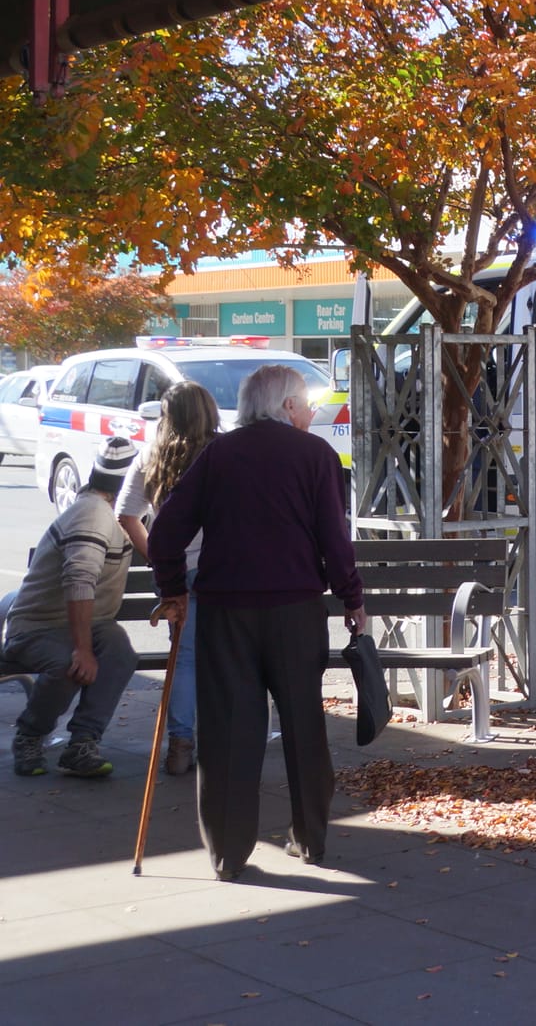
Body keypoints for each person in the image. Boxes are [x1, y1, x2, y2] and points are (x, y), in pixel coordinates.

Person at [149, 364, 368, 880]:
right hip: (295, 611)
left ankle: (227, 854)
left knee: (227, 730)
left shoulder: (217, 454)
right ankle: (310, 839)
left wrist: (174, 590)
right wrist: (352, 599)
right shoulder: (316, 456)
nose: (312, 414)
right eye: (306, 405)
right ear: (287, 406)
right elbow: (334, 541)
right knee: (304, 725)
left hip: (227, 612)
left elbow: (164, 533)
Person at [5, 438, 141, 778]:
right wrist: (82, 649)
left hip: (88, 623)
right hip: (37, 626)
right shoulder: (92, 515)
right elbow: (79, 581)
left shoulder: (110, 513)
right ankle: (30, 735)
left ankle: (82, 742)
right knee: (68, 664)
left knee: (119, 651)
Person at [116, 381, 223, 777]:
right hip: (223, 571)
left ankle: (181, 744)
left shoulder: (152, 454)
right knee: (229, 655)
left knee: (185, 658)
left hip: (175, 573)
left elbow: (126, 514)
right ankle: (223, 741)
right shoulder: (222, 452)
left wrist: (157, 556)